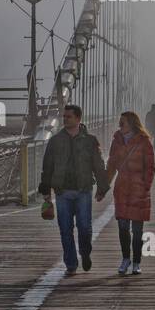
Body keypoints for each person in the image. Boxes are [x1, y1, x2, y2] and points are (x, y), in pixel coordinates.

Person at [38, 104, 109, 276]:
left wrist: (102, 188)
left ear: (78, 119)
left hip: (83, 190)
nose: (65, 119)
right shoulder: (55, 141)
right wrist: (46, 189)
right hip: (62, 191)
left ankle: (85, 253)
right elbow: (47, 166)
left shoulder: (90, 141)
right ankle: (71, 263)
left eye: (69, 116)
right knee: (65, 228)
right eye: (64, 116)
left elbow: (98, 165)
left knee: (85, 227)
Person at [106, 110, 155, 276]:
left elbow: (150, 167)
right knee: (122, 227)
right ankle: (125, 259)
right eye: (119, 123)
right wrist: (103, 186)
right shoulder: (116, 141)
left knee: (137, 230)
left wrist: (145, 187)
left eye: (123, 123)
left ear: (131, 124)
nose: (119, 126)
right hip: (121, 189)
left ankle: (136, 262)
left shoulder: (144, 142)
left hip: (138, 189)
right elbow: (112, 164)